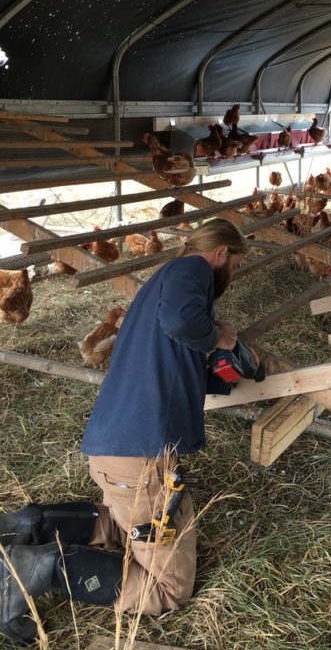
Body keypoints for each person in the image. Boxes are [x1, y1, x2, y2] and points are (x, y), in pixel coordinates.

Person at [0, 217, 260, 644]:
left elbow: (175, 352)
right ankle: (31, 569)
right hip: (140, 453)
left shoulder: (160, 286)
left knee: (123, 526)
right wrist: (222, 339)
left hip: (114, 447)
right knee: (168, 589)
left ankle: (25, 527)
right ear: (221, 255)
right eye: (234, 263)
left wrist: (221, 373)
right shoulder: (192, 270)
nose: (231, 272)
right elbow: (183, 324)